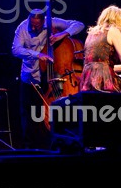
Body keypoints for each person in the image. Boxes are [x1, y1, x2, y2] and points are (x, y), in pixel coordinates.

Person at [12, 9, 85, 149]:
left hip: (50, 77)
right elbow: (15, 49)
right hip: (30, 76)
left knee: (51, 114)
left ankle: (53, 145)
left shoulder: (51, 22)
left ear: (43, 22)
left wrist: (63, 34)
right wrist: (37, 55)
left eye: (37, 26)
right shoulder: (22, 27)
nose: (34, 28)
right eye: (32, 25)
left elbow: (79, 25)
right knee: (29, 115)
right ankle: (29, 149)